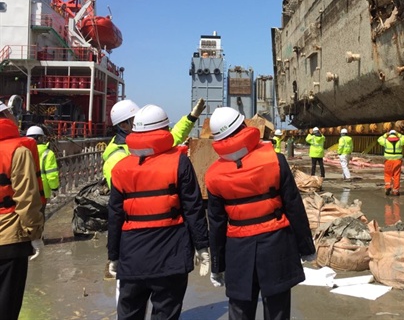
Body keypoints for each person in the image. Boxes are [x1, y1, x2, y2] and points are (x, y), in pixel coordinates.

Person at [205, 107, 316, 320]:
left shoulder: (213, 175)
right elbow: (294, 207)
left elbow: (217, 224)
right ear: (244, 127)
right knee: (277, 310)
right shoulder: (275, 160)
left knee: (239, 310)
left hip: (238, 250)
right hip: (276, 245)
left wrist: (217, 265)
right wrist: (306, 248)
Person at [107, 104, 209, 320]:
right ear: (164, 129)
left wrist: (113, 255)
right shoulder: (179, 162)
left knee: (129, 313)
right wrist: (202, 247)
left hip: (132, 255)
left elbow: (115, 215)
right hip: (171, 254)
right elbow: (193, 208)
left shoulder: (120, 166)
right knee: (166, 313)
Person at [0, 101, 45, 320]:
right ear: (6, 115)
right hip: (10, 238)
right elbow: (27, 198)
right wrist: (34, 234)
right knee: (7, 304)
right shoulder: (18, 150)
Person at [103, 98, 206, 188]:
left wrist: (191, 118)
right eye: (135, 119)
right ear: (123, 125)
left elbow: (172, 137)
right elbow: (118, 191)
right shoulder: (116, 156)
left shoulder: (142, 143)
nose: (141, 121)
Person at [26, 126, 60, 208]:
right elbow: (51, 174)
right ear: (40, 138)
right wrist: (54, 188)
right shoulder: (48, 153)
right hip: (42, 192)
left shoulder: (22, 151)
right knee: (40, 217)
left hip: (25, 192)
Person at [377, 129, 404, 195]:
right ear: (395, 134)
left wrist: (386, 135)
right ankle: (395, 191)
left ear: (390, 134)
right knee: (396, 175)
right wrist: (398, 134)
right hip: (397, 161)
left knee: (388, 174)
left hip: (388, 160)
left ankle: (388, 186)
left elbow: (379, 139)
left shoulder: (385, 141)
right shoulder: (400, 141)